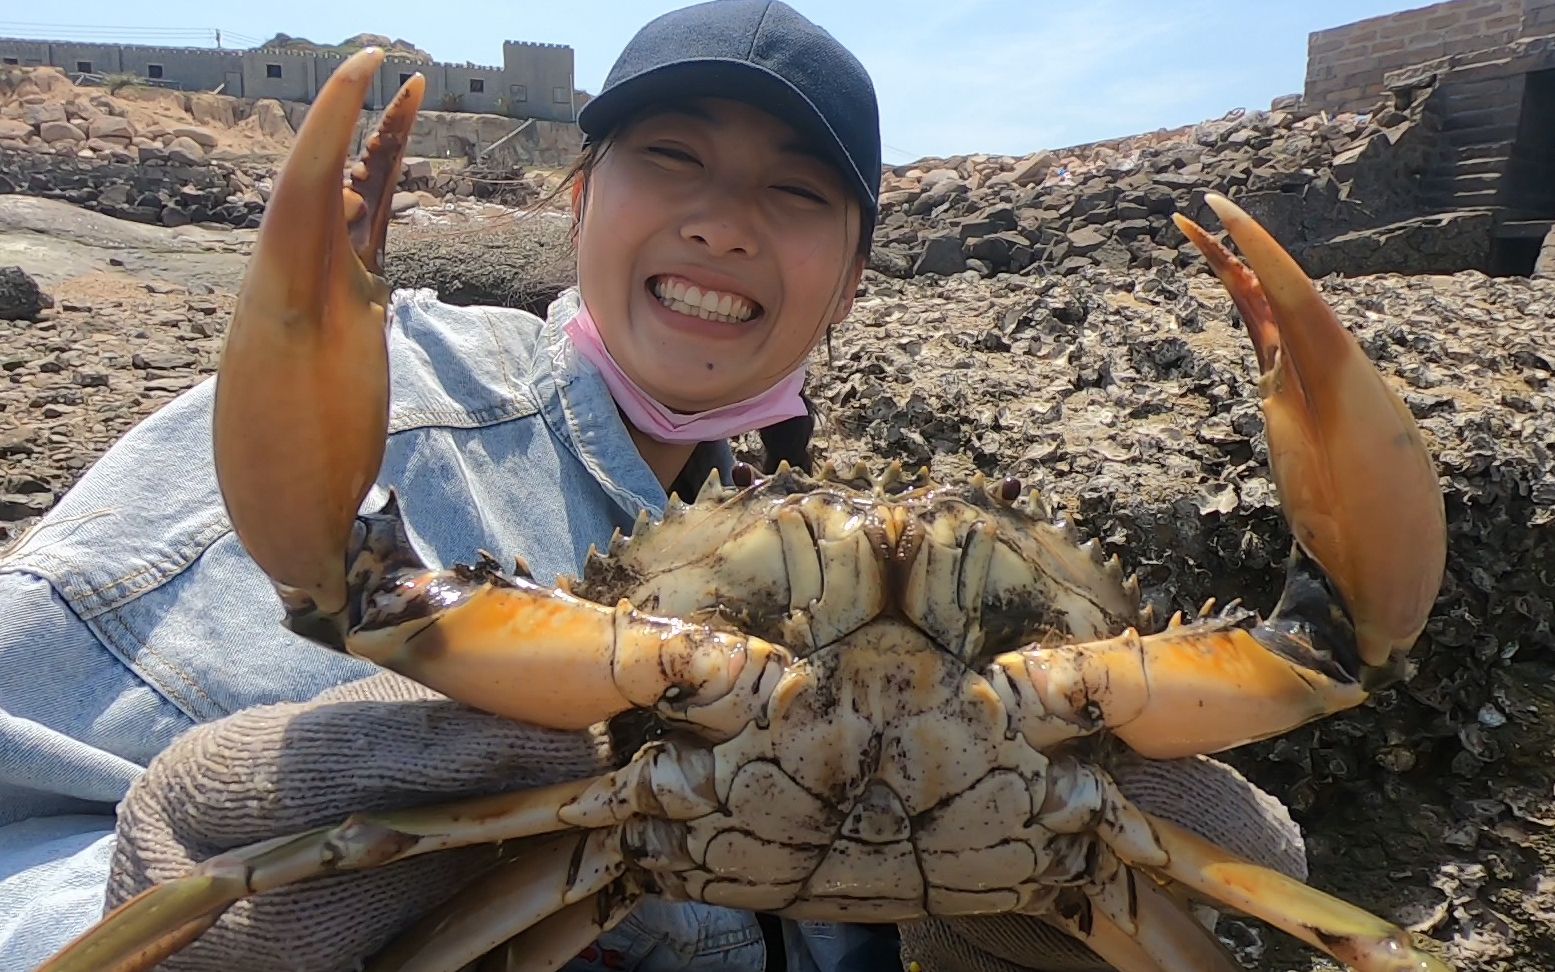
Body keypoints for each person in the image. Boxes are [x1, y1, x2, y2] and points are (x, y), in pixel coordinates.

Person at [0, 3, 1307, 971]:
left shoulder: (788, 495)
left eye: (794, 191)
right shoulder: (382, 425)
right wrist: (146, 916)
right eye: (671, 157)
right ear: (578, 201)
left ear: (852, 279)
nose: (724, 219)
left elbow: (1338, 650)